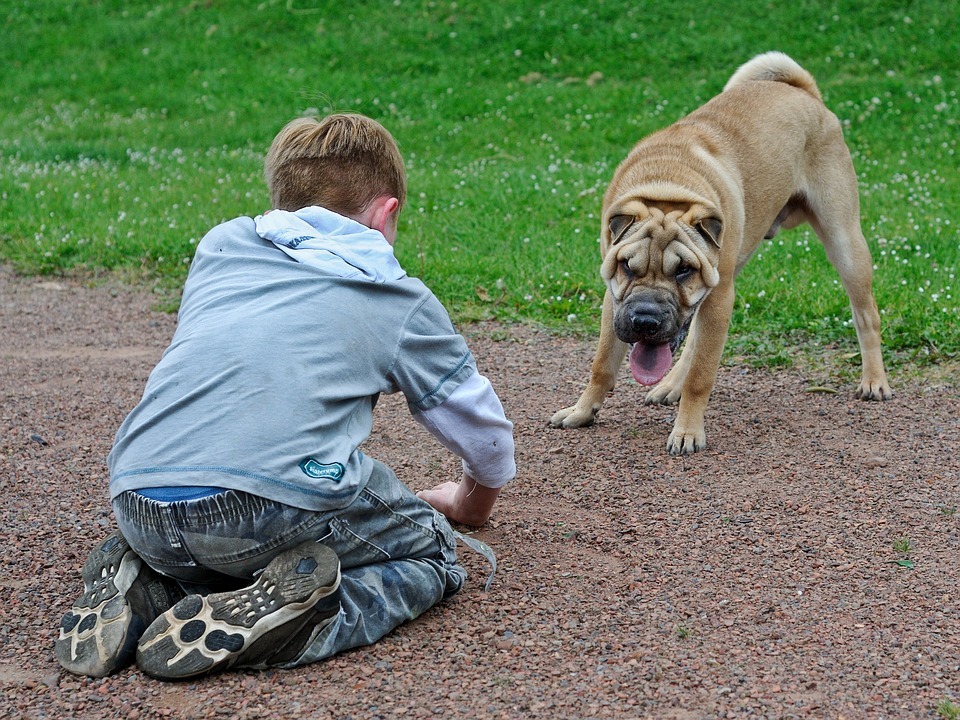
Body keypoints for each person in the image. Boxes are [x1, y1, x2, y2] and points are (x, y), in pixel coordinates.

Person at [54, 113, 516, 680]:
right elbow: (484, 432)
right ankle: (301, 624)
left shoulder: (221, 246)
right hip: (265, 506)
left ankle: (151, 586)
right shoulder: (394, 296)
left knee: (225, 545)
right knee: (433, 552)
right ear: (386, 212)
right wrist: (473, 502)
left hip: (137, 503)